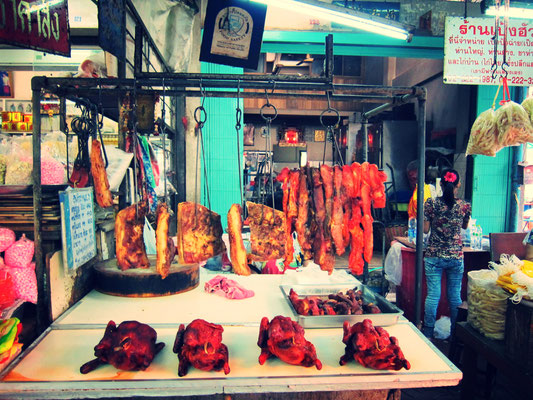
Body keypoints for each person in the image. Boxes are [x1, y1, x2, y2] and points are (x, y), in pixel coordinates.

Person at [422, 168, 471, 339]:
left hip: (434, 255)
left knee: (433, 296)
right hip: (455, 257)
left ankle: (427, 332)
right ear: (458, 184)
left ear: (441, 184)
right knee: (454, 297)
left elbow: (425, 229)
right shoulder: (465, 206)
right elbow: (464, 227)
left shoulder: (431, 203)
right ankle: (455, 335)